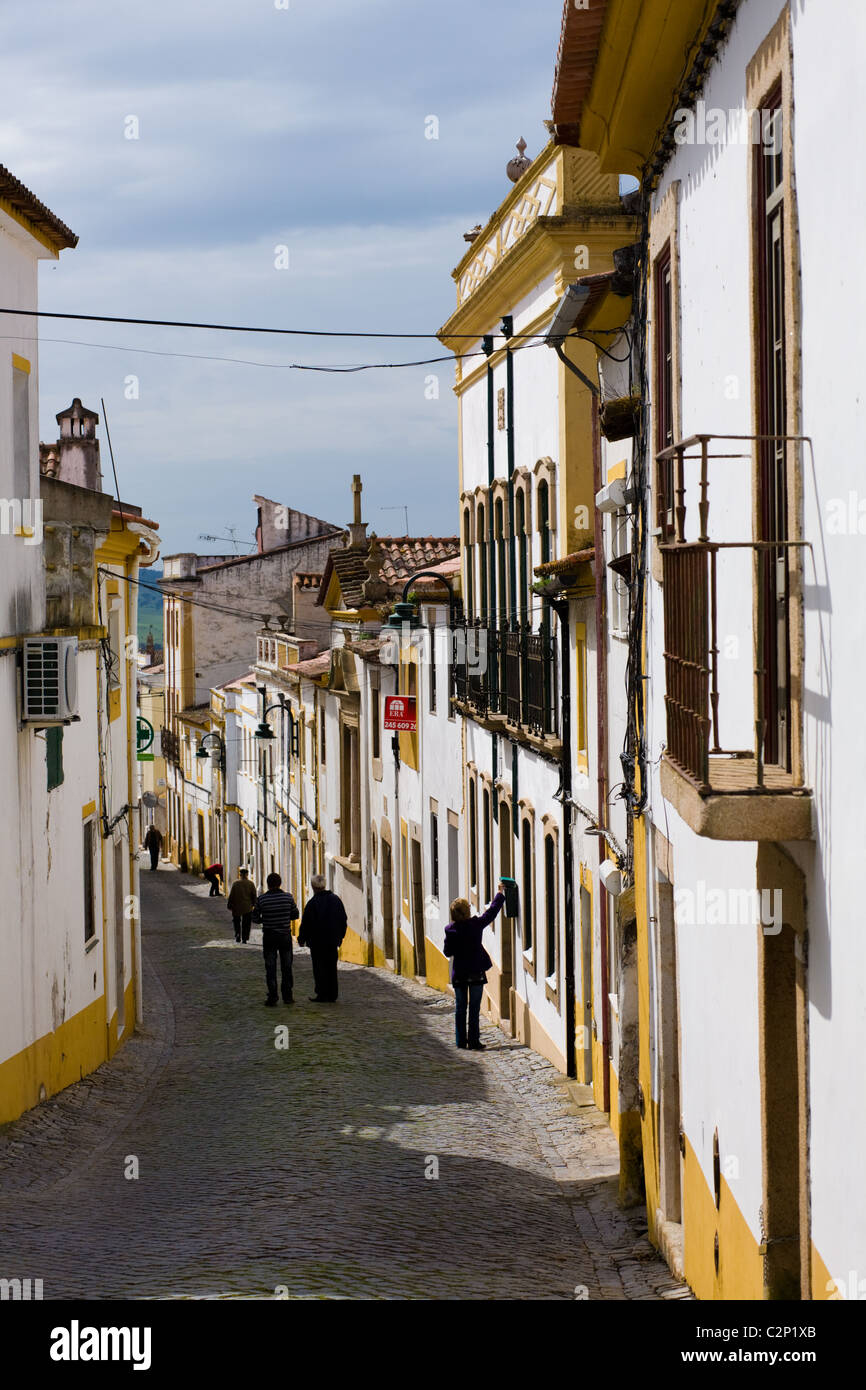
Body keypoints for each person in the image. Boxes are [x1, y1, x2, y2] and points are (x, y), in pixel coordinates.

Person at [443, 885, 505, 1051]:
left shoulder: (450, 930)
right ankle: (474, 1041)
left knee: (460, 1007)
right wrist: (499, 894)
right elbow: (491, 913)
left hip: (460, 974)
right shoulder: (475, 925)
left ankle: (460, 1041)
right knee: (474, 1008)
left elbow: (447, 952)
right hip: (476, 972)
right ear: (466, 912)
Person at [298, 875, 348, 1003]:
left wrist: (302, 938)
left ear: (313, 887)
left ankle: (322, 993)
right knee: (331, 967)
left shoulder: (312, 903)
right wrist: (340, 936)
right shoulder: (336, 900)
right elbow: (343, 919)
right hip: (332, 942)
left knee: (319, 968)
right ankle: (332, 994)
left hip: (317, 943)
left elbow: (306, 923)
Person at [252, 872, 299, 1006]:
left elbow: (254, 918)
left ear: (268, 884)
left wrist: (264, 919)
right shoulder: (288, 898)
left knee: (270, 967)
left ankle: (273, 996)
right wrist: (285, 917)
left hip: (269, 936)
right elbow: (295, 914)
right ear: (280, 883)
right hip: (285, 935)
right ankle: (288, 996)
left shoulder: (262, 900)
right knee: (287, 966)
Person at [226, 867, 257, 943]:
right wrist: (254, 904)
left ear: (240, 875)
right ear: (247, 874)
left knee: (236, 922)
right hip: (247, 907)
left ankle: (237, 935)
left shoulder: (236, 884)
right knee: (246, 923)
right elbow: (254, 895)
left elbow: (232, 895)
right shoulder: (251, 884)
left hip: (236, 907)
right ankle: (245, 938)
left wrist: (229, 905)